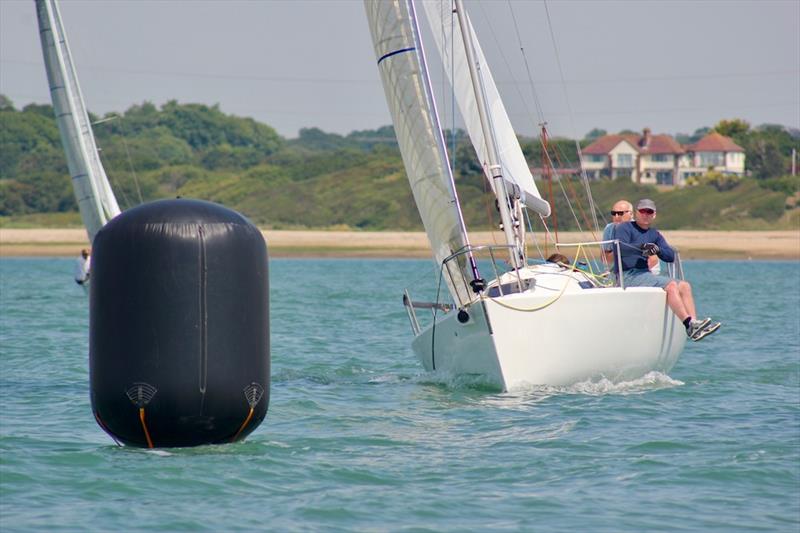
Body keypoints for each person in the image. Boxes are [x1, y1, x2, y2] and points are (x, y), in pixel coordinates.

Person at [614, 199, 720, 341]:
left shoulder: (655, 234)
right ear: (636, 213)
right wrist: (642, 247)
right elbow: (620, 248)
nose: (646, 214)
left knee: (684, 285)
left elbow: (670, 256)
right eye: (642, 211)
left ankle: (694, 324)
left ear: (654, 215)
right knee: (670, 286)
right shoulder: (625, 228)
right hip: (627, 275)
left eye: (649, 212)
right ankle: (688, 324)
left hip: (644, 274)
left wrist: (658, 250)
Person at [602, 199, 659, 274]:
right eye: (614, 213)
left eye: (620, 213)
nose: (616, 216)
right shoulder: (609, 229)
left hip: (644, 271)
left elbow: (653, 259)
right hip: (618, 272)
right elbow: (605, 259)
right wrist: (620, 250)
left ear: (631, 214)